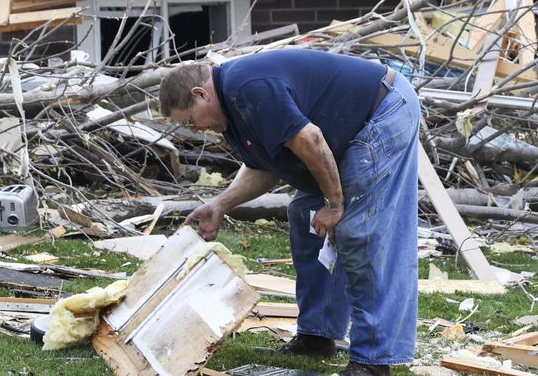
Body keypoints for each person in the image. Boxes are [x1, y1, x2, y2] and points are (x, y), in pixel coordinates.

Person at [159, 49, 419, 376]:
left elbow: (310, 139)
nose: (194, 129)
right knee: (303, 215)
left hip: (380, 111)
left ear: (200, 94)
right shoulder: (232, 113)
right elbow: (265, 167)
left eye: (190, 120)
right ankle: (318, 335)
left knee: (359, 230)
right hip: (341, 133)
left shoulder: (248, 87)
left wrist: (335, 205)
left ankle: (374, 361)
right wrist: (220, 204)